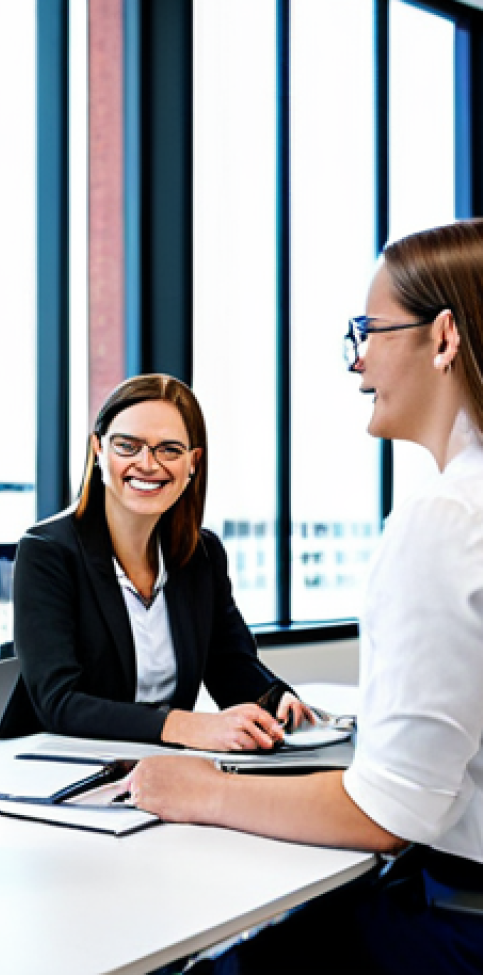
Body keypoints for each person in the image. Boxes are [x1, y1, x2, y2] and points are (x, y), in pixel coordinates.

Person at [127, 219, 483, 973]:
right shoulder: (53, 553)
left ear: (444, 337)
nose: (357, 360)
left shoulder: (446, 520)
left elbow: (389, 814)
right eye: (130, 446)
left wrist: (206, 790)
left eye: (370, 331)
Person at [11, 374, 311, 749]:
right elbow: (58, 703)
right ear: (98, 450)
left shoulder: (202, 554)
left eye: (169, 450)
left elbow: (229, 663)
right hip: (65, 763)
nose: (148, 464)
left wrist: (276, 699)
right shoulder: (47, 552)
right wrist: (184, 726)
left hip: (164, 763)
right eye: (127, 446)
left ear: (193, 462)